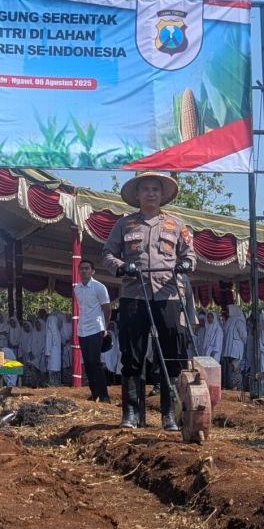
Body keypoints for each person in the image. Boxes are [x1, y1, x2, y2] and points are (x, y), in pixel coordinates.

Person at [102, 171, 196, 431]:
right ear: (137, 194)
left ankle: (169, 413)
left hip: (168, 295)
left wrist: (186, 264)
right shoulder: (125, 224)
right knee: (132, 354)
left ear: (162, 194)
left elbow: (190, 255)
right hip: (135, 294)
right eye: (146, 189)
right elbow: (108, 254)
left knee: (172, 354)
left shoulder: (177, 224)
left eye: (156, 189)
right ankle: (132, 413)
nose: (151, 193)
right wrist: (122, 267)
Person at [75, 259, 112, 402]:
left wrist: (105, 327)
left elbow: (107, 309)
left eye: (87, 268)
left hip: (96, 328)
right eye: (82, 268)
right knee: (87, 363)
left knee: (95, 361)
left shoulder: (99, 287)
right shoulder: (77, 289)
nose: (84, 271)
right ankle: (94, 393)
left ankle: (104, 395)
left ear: (93, 271)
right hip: (82, 330)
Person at [222, 305, 247, 390]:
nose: (227, 312)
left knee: (235, 368)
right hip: (229, 350)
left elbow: (244, 336)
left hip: (236, 349)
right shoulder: (229, 321)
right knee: (231, 368)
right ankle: (233, 385)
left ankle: (238, 386)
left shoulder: (239, 321)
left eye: (228, 311)